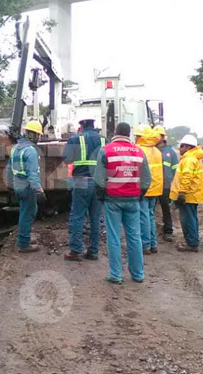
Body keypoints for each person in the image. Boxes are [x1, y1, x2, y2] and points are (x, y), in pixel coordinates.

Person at [94, 122, 152, 284]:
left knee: (114, 237)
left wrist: (102, 197)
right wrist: (139, 194)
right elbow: (147, 179)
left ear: (115, 132)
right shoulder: (139, 152)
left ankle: (116, 275)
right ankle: (138, 274)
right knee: (134, 237)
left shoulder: (105, 150)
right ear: (129, 134)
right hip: (133, 200)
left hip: (112, 199)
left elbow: (99, 179)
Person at [63, 118, 107, 261]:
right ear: (94, 126)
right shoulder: (104, 140)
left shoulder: (76, 139)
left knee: (77, 216)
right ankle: (93, 251)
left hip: (81, 181)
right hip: (99, 182)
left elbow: (66, 159)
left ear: (81, 126)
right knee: (96, 218)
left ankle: (76, 251)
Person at [5, 120, 46, 253]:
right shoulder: (31, 151)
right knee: (27, 214)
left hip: (18, 187)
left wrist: (10, 185)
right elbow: (33, 174)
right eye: (39, 135)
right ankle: (24, 244)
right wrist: (39, 190)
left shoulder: (15, 149)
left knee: (25, 212)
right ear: (34, 135)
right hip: (27, 188)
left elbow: (9, 169)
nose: (39, 138)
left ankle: (25, 238)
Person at [170, 135, 203, 252]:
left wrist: (182, 192)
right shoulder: (194, 158)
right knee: (192, 219)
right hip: (193, 194)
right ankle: (193, 241)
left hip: (188, 195)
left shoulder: (188, 159)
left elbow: (186, 177)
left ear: (188, 147)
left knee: (188, 220)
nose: (180, 149)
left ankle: (191, 243)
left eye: (181, 146)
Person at [138, 127, 164, 255]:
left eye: (137, 135)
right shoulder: (157, 151)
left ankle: (145, 245)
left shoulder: (140, 150)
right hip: (155, 188)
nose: (135, 137)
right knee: (150, 215)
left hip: (144, 188)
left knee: (143, 216)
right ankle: (153, 244)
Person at [154, 125, 178, 242]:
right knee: (150, 209)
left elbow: (175, 171)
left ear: (163, 137)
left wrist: (173, 185)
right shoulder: (151, 150)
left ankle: (168, 231)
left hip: (165, 186)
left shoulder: (170, 152)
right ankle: (151, 231)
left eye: (157, 136)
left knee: (166, 208)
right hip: (153, 185)